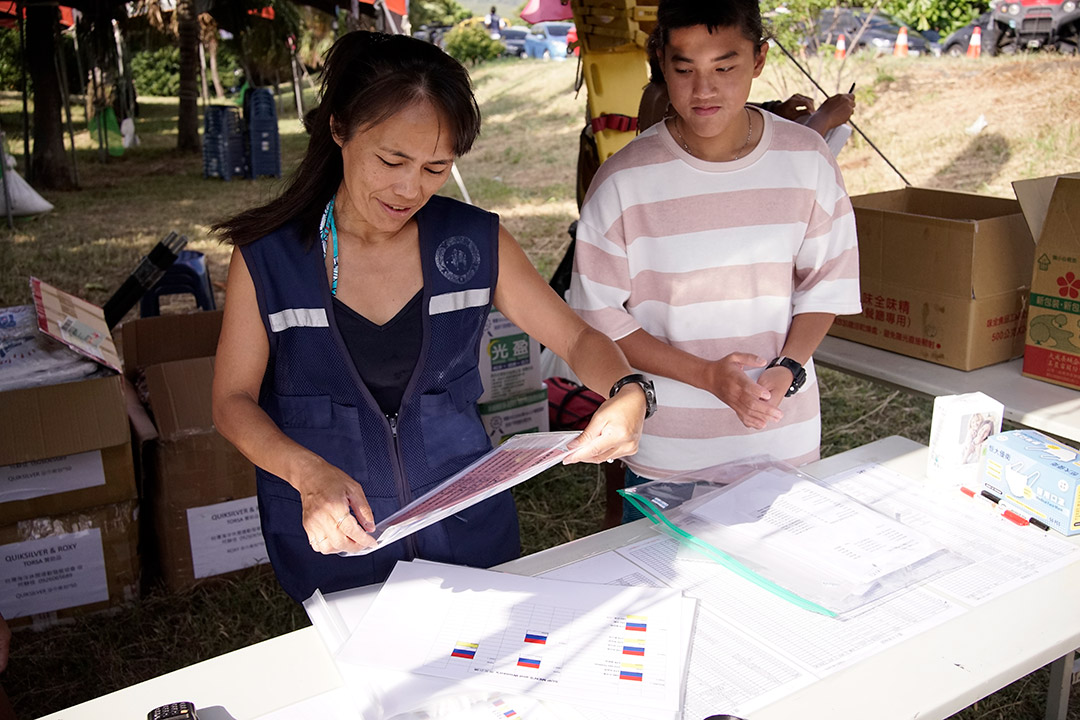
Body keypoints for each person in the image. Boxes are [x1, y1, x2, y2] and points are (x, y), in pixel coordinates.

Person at [211, 31, 650, 603]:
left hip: (469, 530)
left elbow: (576, 337)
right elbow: (232, 401)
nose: (409, 188)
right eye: (391, 160)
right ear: (339, 128)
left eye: (435, 167)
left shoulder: (472, 243)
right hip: (341, 543)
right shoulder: (269, 258)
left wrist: (626, 389)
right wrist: (304, 472)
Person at [568, 0, 862, 520]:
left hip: (782, 437)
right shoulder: (623, 181)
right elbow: (598, 319)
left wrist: (789, 367)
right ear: (661, 61)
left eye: (725, 68)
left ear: (759, 59)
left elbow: (826, 283)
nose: (704, 90)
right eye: (684, 70)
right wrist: (706, 376)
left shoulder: (807, 159)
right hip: (670, 451)